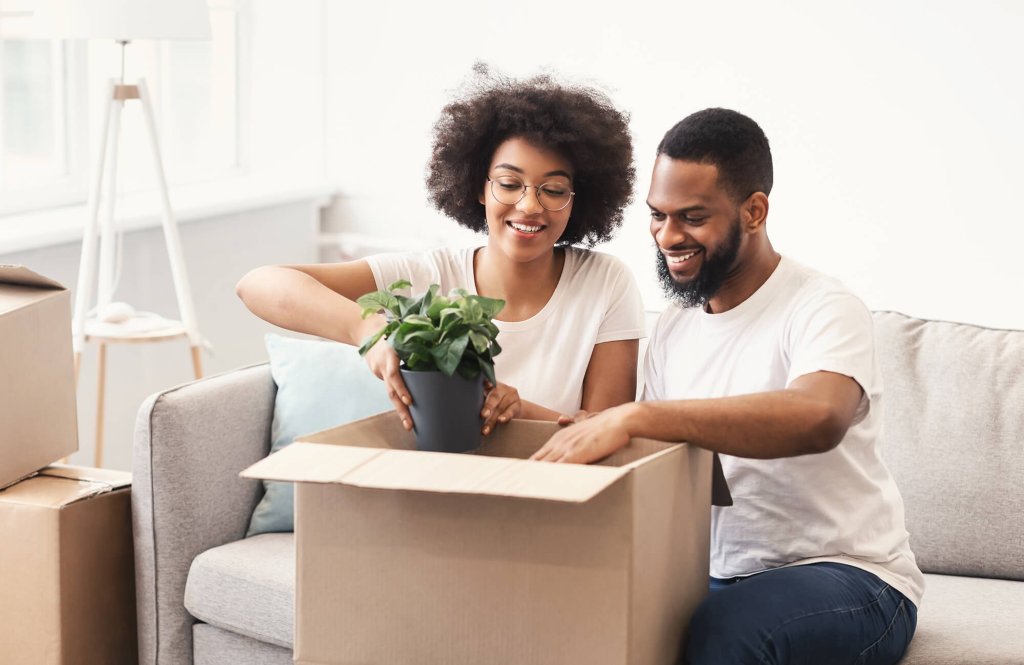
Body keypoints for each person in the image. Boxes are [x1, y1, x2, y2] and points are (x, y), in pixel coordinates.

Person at [533, 108, 923, 665]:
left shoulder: (823, 306)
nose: (668, 236)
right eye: (657, 215)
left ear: (755, 211)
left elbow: (819, 416)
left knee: (726, 635)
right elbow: (661, 460)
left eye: (691, 217)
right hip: (717, 574)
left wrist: (637, 416)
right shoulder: (673, 325)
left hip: (849, 576)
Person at [236, 69, 646, 434]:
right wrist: (369, 332)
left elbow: (607, 434)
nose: (529, 206)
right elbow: (258, 285)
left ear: (579, 200)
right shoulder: (427, 277)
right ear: (477, 187)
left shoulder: (605, 284)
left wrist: (520, 410)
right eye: (509, 183)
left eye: (553, 190)